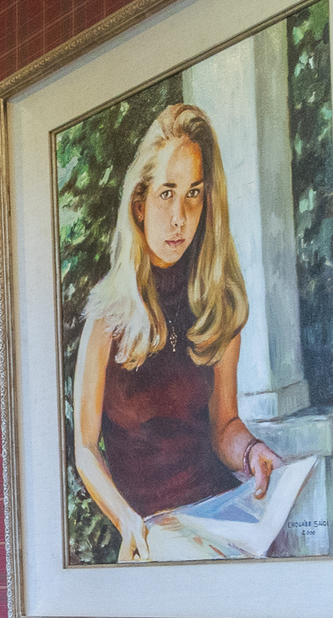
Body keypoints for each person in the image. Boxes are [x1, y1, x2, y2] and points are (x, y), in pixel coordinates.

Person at [69, 102, 274, 562]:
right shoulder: (107, 314)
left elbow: (225, 426)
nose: (180, 216)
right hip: (150, 533)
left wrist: (252, 452)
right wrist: (127, 520)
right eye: (167, 193)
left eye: (194, 194)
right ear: (139, 204)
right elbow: (85, 447)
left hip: (217, 516)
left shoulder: (216, 302)